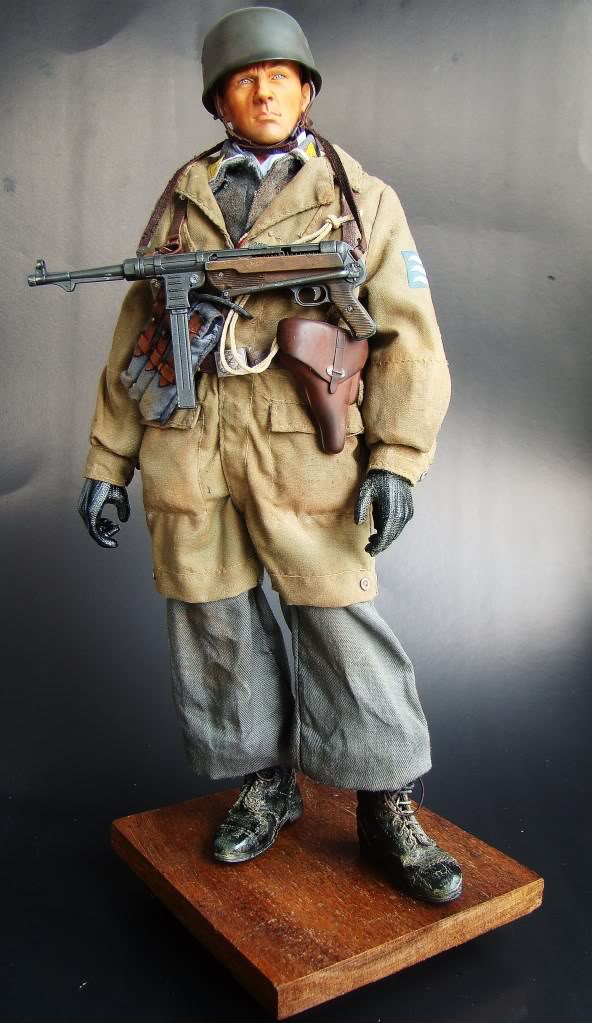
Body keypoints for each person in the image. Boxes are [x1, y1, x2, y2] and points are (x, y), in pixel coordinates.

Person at [78, 7, 462, 904]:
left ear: (306, 89)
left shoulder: (357, 197)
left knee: (338, 618)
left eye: (279, 76)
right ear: (219, 101)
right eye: (243, 80)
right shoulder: (184, 198)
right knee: (214, 617)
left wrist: (396, 457)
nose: (262, 92)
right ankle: (267, 780)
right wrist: (107, 462)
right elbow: (139, 339)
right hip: (190, 444)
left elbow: (410, 339)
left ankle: (385, 801)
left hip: (303, 449)